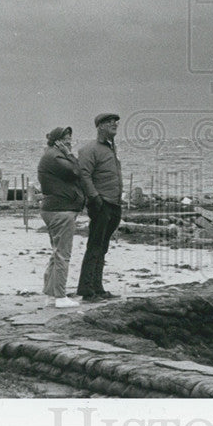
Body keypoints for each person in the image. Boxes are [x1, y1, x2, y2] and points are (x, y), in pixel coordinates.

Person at [37, 126, 90, 309]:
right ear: (57, 141)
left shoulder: (52, 155)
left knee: (56, 253)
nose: (69, 141)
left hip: (56, 209)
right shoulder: (55, 156)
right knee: (62, 255)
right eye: (65, 138)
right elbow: (76, 171)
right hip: (61, 210)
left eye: (70, 137)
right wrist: (70, 154)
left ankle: (51, 294)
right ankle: (60, 296)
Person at [76, 112, 123, 301]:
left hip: (114, 204)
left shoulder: (111, 148)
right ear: (100, 126)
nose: (114, 124)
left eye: (115, 122)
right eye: (109, 122)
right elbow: (84, 175)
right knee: (95, 245)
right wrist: (95, 198)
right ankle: (86, 290)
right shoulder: (90, 149)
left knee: (102, 247)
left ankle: (98, 287)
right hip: (102, 203)